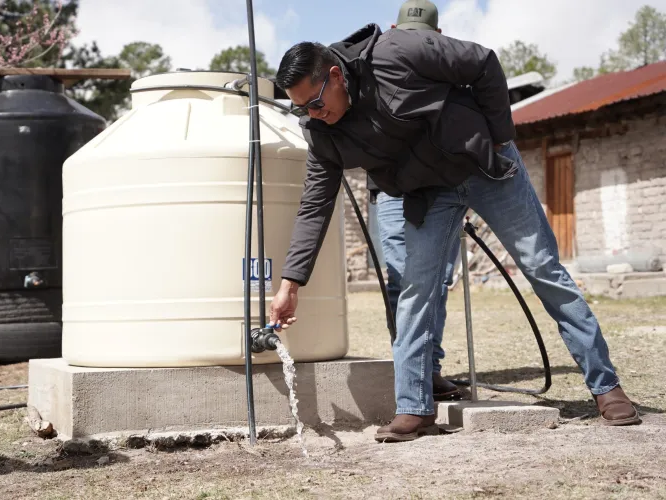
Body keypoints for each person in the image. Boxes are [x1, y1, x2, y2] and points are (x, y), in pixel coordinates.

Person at [268, 0, 641, 443]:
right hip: (429, 193)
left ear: (334, 76)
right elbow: (315, 204)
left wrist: (500, 141)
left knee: (543, 269)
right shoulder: (322, 131)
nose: (312, 114)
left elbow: (484, 63)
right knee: (414, 291)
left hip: (484, 169)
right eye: (300, 109)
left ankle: (606, 387)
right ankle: (414, 409)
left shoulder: (397, 51)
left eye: (314, 103)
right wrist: (291, 284)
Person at [370, 0, 461, 402]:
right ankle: (408, 371)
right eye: (406, 35)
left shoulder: (449, 71)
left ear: (437, 38)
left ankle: (430, 367)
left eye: (422, 38)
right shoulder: (376, 70)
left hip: (438, 189)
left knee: (437, 278)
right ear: (392, 29)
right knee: (402, 279)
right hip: (391, 190)